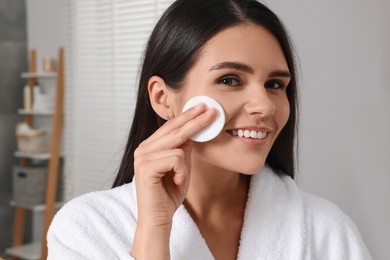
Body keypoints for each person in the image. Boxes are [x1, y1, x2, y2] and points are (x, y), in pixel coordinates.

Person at [47, 0, 372, 259]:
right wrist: (153, 231)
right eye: (230, 80)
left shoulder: (326, 230)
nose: (265, 105)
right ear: (162, 98)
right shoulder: (86, 228)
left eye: (275, 84)